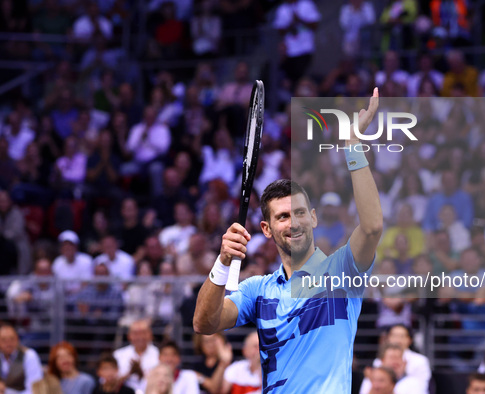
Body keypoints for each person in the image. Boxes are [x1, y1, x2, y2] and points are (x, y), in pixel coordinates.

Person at [193, 89, 383, 392]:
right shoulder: (257, 290)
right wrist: (223, 261)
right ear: (267, 230)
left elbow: (372, 227)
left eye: (299, 213)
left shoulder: (342, 271)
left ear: (314, 217)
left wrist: (353, 147)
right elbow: (204, 324)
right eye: (283, 216)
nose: (293, 222)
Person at [113, 320, 160, 391]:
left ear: (150, 334)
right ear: (129, 336)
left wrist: (142, 374)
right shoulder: (118, 355)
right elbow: (108, 382)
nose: (140, 337)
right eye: (135, 333)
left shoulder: (159, 355)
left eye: (143, 332)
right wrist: (129, 373)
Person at [0, 323, 43, 394]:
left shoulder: (29, 355)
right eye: (4, 340)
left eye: (12, 338)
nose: (8, 343)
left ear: (18, 339)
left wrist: (8, 392)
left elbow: (35, 389)